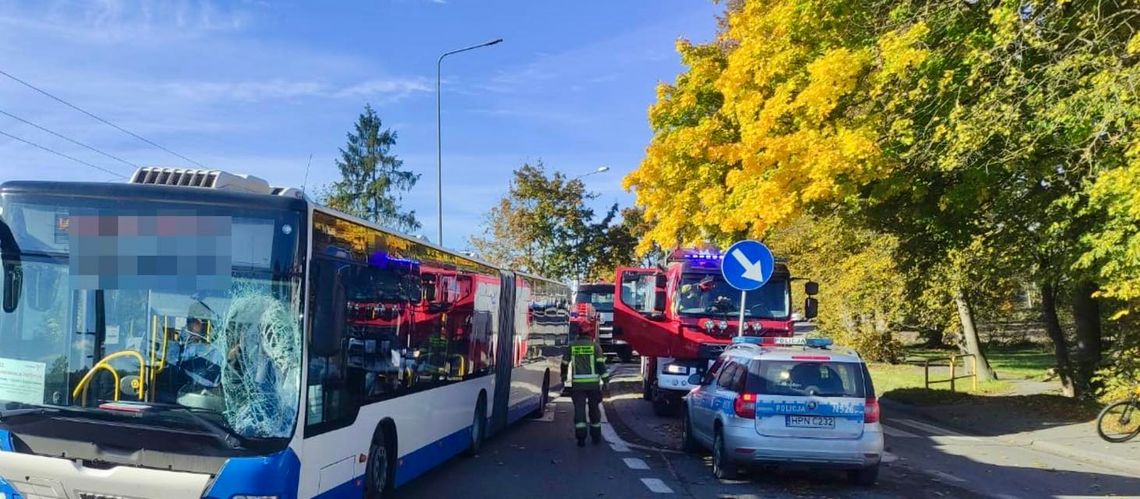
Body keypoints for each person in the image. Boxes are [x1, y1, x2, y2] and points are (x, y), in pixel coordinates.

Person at [560, 305, 610, 447]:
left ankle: (581, 438)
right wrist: (606, 381)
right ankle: (595, 436)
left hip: (577, 386)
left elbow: (564, 363)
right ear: (590, 333)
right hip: (593, 386)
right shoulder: (596, 347)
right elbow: (601, 366)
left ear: (579, 333)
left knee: (580, 412)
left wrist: (564, 377)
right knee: (594, 411)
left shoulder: (572, 346)